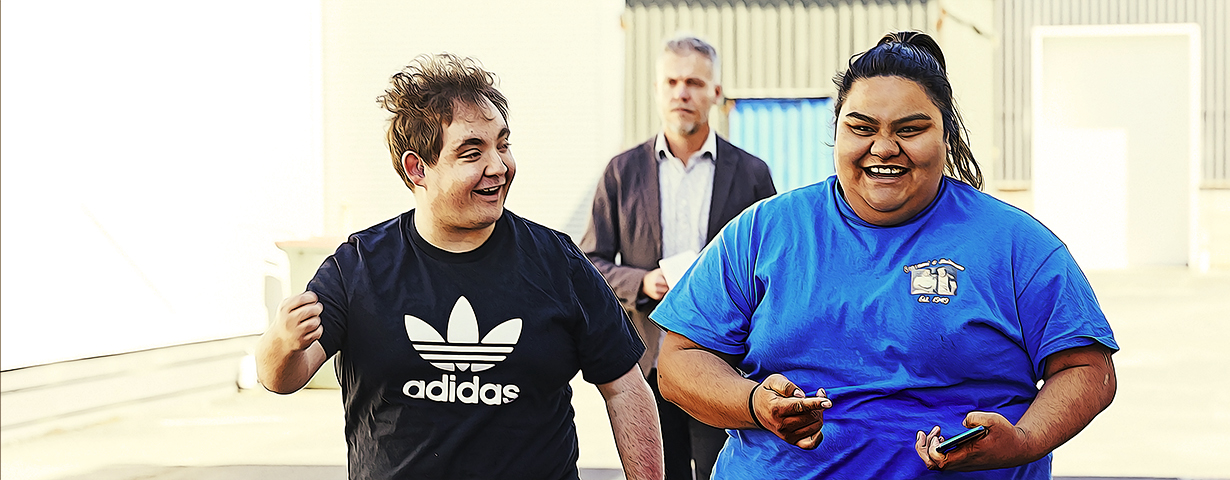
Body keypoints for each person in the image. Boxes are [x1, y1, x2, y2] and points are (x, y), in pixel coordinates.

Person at [651, 31, 1119, 479]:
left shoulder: (1016, 244)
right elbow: (678, 359)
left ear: (945, 135)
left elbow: (1087, 370)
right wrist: (755, 403)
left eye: (910, 129)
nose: (883, 148)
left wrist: (1024, 440)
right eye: (861, 128)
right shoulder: (763, 232)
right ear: (837, 132)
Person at [256, 53, 662, 480]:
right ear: (417, 168)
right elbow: (283, 377)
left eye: (503, 144)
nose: (499, 166)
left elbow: (625, 389)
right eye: (472, 153)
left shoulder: (557, 261)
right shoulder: (359, 267)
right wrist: (282, 342)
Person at [580, 35, 776, 480]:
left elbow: (771, 273)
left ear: (716, 93)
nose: (681, 92)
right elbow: (590, 261)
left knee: (721, 473)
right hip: (646, 360)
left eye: (693, 82)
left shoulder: (751, 174)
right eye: (671, 81)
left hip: (723, 364)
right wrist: (643, 283)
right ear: (656, 90)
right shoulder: (621, 172)